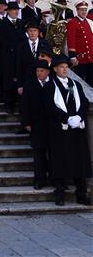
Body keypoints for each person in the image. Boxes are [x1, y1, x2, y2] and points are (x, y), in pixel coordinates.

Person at [44, 54, 91, 206]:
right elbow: (49, 106)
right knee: (60, 161)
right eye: (61, 67)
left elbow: (84, 103)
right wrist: (66, 118)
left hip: (77, 129)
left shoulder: (75, 85)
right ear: (55, 69)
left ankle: (81, 193)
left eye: (66, 67)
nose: (64, 69)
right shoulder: (50, 86)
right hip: (60, 130)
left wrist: (79, 117)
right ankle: (60, 194)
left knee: (80, 161)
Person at [20, 59, 51, 189]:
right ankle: (39, 180)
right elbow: (24, 105)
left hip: (52, 125)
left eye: (42, 71)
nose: (39, 73)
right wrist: (26, 122)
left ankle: (56, 179)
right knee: (38, 154)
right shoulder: (30, 85)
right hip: (36, 124)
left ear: (48, 72)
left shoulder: (53, 84)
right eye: (37, 71)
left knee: (54, 153)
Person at [66, 0, 93, 86]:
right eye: (81, 10)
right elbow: (71, 40)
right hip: (79, 58)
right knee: (80, 81)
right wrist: (72, 56)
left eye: (85, 10)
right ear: (77, 10)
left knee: (91, 80)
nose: (84, 12)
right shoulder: (72, 22)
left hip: (90, 57)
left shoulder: (89, 22)